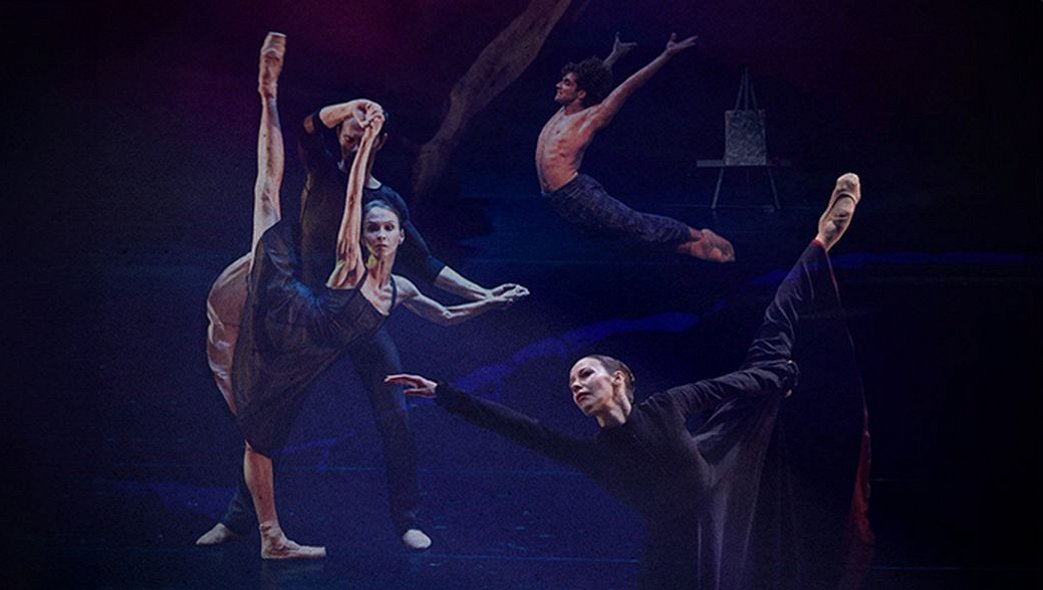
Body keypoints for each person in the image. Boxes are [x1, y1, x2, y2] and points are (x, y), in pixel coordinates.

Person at [388, 173, 872, 589]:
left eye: (584, 374)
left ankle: (819, 243)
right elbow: (518, 427)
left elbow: (730, 386)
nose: (576, 387)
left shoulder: (665, 406)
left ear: (618, 379)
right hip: (676, 542)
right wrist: (444, 394)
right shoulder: (593, 455)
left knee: (770, 341)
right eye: (572, 384)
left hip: (720, 477)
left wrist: (776, 375)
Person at [199, 33, 528, 560]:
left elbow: (427, 264)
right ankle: (242, 519)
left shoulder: (386, 206)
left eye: (358, 134)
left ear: (378, 139)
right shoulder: (323, 171)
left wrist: (483, 291)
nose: (349, 139)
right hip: (304, 313)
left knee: (394, 413)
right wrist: (347, 107)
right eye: (346, 133)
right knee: (267, 419)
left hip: (355, 317)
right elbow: (310, 127)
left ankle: (407, 520)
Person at [536, 33, 735, 262]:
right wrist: (614, 56)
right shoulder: (562, 112)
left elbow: (628, 86)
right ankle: (690, 248)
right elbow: (591, 79)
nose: (558, 85)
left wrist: (665, 55)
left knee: (637, 226)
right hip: (556, 198)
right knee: (616, 241)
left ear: (580, 94)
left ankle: (698, 235)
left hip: (577, 193)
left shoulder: (590, 118)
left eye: (566, 83)